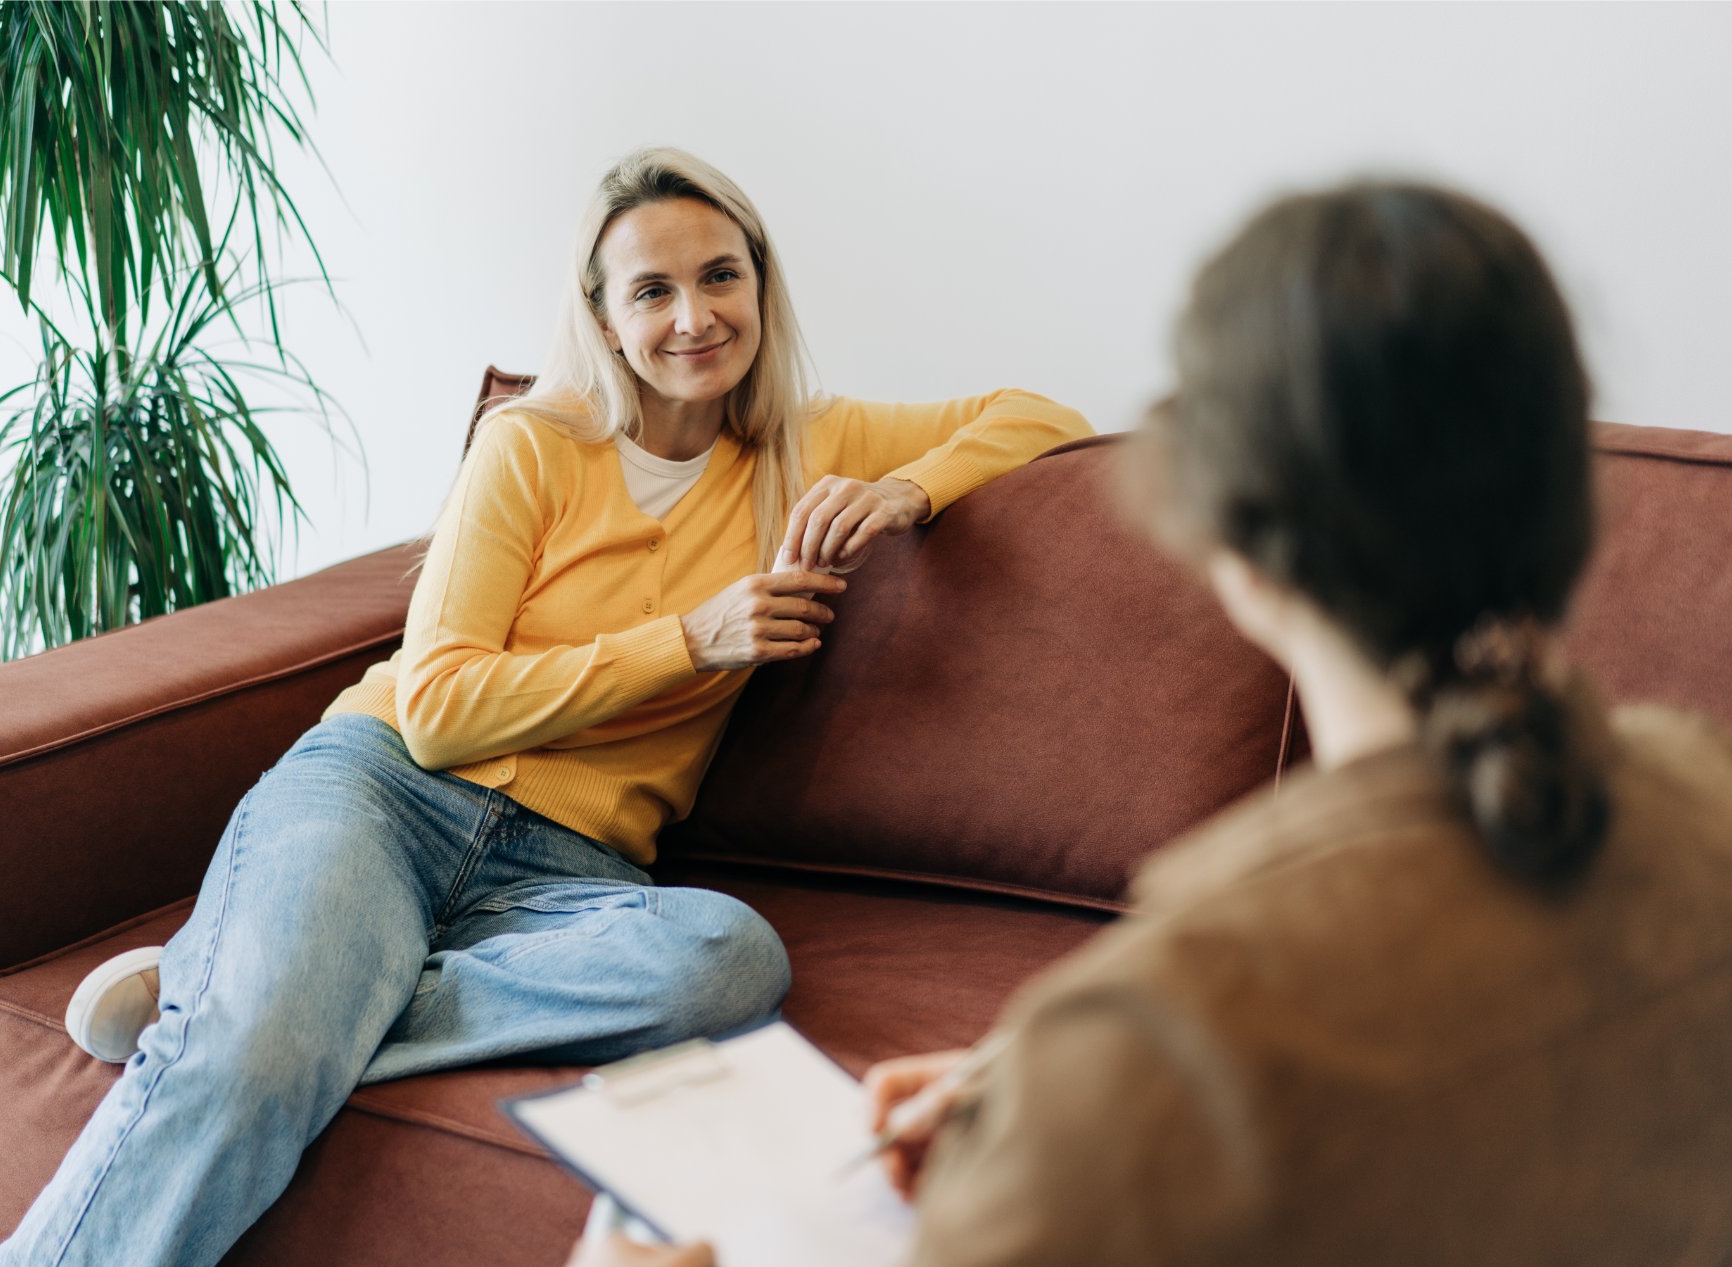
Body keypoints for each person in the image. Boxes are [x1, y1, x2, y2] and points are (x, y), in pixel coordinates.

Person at [567, 181, 1732, 1267]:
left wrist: (1092, 1085)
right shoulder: (1701, 803)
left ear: (1228, 543)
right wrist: (1054, 1085)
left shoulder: (1170, 1019)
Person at [0, 147, 1087, 1267]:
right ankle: (254, 1013)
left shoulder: (809, 443)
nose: (693, 316)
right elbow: (442, 708)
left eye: (720, 276)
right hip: (381, 794)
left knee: (727, 959)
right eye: (651, 290)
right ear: (602, 320)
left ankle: (259, 987)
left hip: (568, 877)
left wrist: (903, 489)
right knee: (250, 1062)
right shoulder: (530, 446)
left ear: (761, 285)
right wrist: (689, 640)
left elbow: (1038, 415)